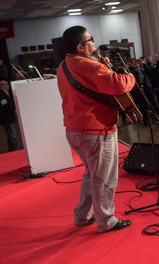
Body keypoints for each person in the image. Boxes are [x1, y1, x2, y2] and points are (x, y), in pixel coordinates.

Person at [57, 26, 134, 233]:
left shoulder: (64, 65)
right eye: (91, 39)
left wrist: (101, 67)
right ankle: (106, 220)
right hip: (96, 130)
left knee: (91, 175)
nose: (94, 42)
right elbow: (118, 85)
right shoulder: (86, 65)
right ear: (81, 47)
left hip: (74, 130)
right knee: (104, 178)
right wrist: (130, 77)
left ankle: (82, 216)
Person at [0, 80, 18, 152]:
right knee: (12, 135)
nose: (8, 86)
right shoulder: (1, 94)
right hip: (6, 118)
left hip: (9, 117)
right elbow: (5, 105)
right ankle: (14, 149)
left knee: (11, 135)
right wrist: (14, 110)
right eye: (6, 84)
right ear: (1, 86)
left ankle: (13, 149)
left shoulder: (6, 93)